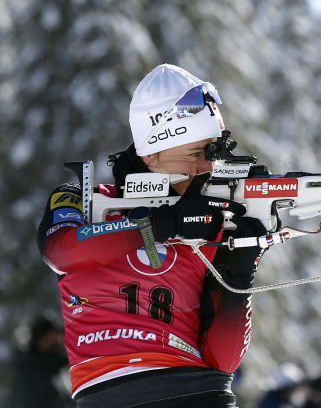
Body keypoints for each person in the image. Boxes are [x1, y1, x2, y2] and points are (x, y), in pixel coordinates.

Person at [37, 64, 266, 407]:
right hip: (109, 393)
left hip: (200, 393)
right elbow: (61, 250)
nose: (206, 167)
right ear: (151, 153)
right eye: (194, 154)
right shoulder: (84, 198)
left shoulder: (213, 223)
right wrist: (161, 225)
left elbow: (223, 362)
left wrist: (241, 272)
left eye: (212, 153)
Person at [6, 313, 74, 407]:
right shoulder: (29, 368)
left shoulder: (58, 361)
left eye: (56, 337)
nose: (54, 342)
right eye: (48, 339)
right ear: (39, 340)